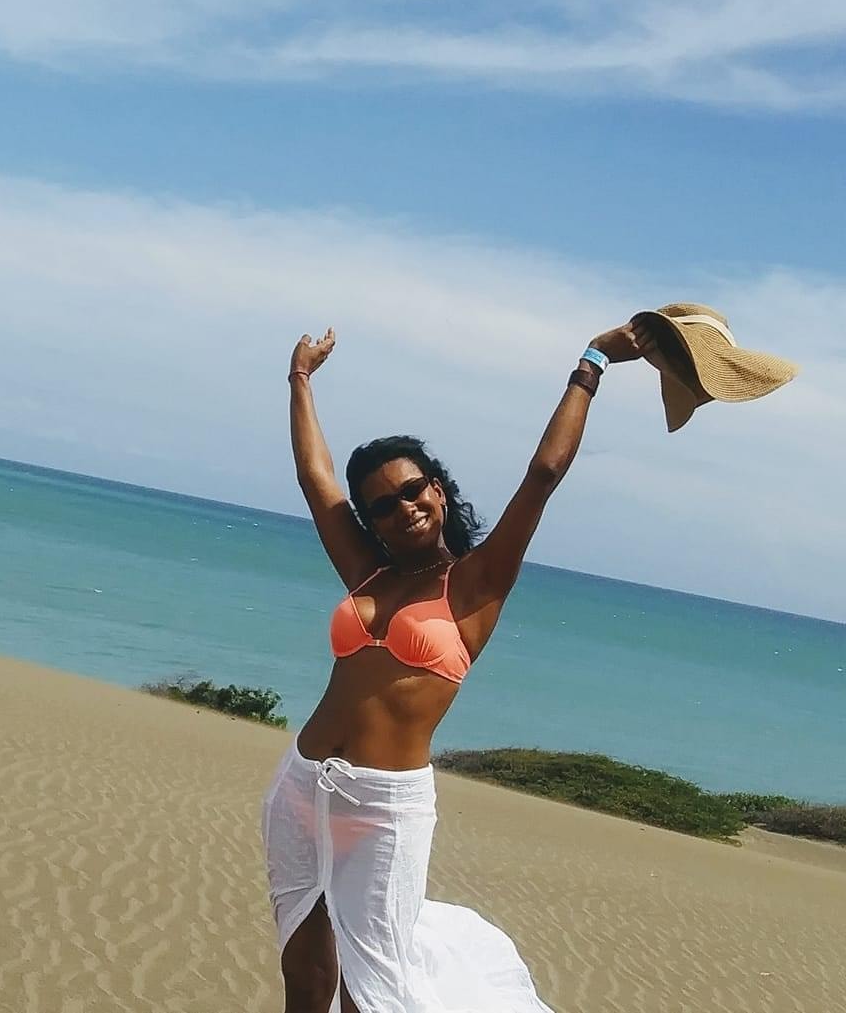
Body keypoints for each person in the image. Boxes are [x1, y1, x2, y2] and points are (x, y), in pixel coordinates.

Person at [262, 318, 667, 1012]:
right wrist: (298, 378)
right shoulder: (365, 574)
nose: (403, 508)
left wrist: (593, 360)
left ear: (440, 489)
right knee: (304, 976)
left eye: (413, 489)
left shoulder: (476, 585)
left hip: (385, 807)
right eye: (381, 505)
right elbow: (314, 478)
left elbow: (543, 474)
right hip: (302, 787)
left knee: (372, 990)